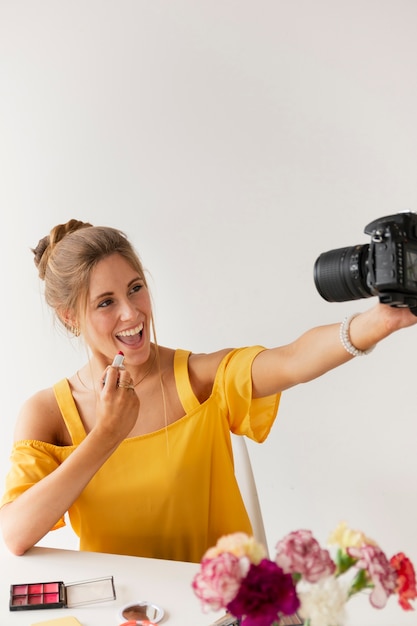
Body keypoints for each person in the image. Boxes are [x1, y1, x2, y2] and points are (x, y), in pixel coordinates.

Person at [0, 219, 416, 563]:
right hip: (126, 614)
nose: (131, 312)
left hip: (224, 610)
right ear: (71, 317)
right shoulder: (49, 413)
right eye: (105, 303)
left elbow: (291, 360)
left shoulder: (197, 379)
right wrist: (106, 435)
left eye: (135, 288)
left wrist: (381, 321)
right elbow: (16, 534)